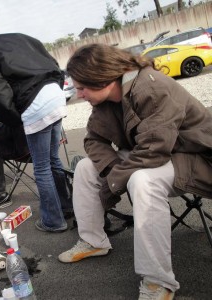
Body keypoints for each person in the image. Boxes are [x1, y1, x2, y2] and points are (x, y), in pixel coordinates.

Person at [58, 44, 212, 299]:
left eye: (82, 87)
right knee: (87, 167)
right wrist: (112, 171)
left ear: (103, 78)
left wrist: (114, 181)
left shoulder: (151, 87)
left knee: (143, 180)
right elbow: (93, 141)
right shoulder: (106, 99)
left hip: (198, 160)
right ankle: (93, 240)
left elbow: (154, 150)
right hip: (161, 156)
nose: (79, 95)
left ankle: (158, 281)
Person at [0, 18, 71, 232]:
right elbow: (53, 64)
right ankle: (68, 208)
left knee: (41, 167)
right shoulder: (20, 38)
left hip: (34, 103)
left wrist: (17, 119)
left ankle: (53, 221)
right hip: (56, 95)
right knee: (53, 161)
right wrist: (55, 89)